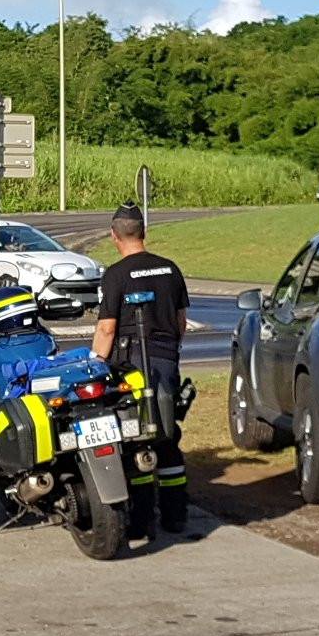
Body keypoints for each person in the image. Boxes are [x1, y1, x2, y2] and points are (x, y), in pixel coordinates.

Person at [92, 201, 191, 539]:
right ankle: (176, 515)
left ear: (113, 236)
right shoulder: (170, 269)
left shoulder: (116, 275)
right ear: (144, 232)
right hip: (166, 360)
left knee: (136, 438)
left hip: (132, 364)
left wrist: (96, 363)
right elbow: (181, 322)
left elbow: (107, 328)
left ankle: (141, 520)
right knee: (166, 435)